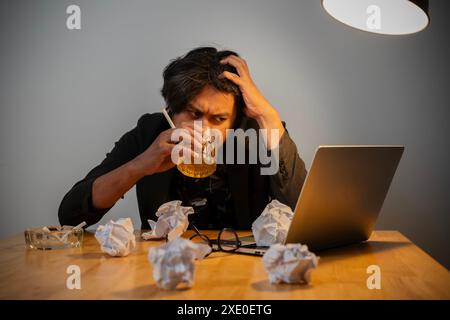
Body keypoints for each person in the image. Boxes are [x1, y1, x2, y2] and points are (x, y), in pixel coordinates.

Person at [58, 47, 307, 230]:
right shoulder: (149, 132)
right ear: (170, 110)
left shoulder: (254, 135)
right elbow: (70, 215)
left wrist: (269, 116)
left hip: (241, 273)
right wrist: (140, 166)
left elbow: (302, 216)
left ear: (233, 121)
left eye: (218, 119)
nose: (203, 130)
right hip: (164, 270)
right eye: (194, 114)